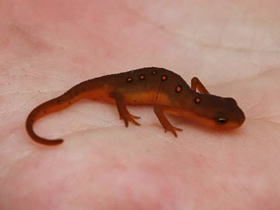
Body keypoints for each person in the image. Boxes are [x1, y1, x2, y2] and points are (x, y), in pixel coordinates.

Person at [1, 0, 280, 209]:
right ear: (204, 114)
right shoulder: (182, 107)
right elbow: (160, 109)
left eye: (221, 120)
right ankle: (117, 110)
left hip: (148, 82)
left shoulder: (188, 104)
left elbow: (190, 82)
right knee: (83, 95)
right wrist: (139, 116)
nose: (224, 123)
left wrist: (200, 98)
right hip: (120, 88)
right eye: (221, 120)